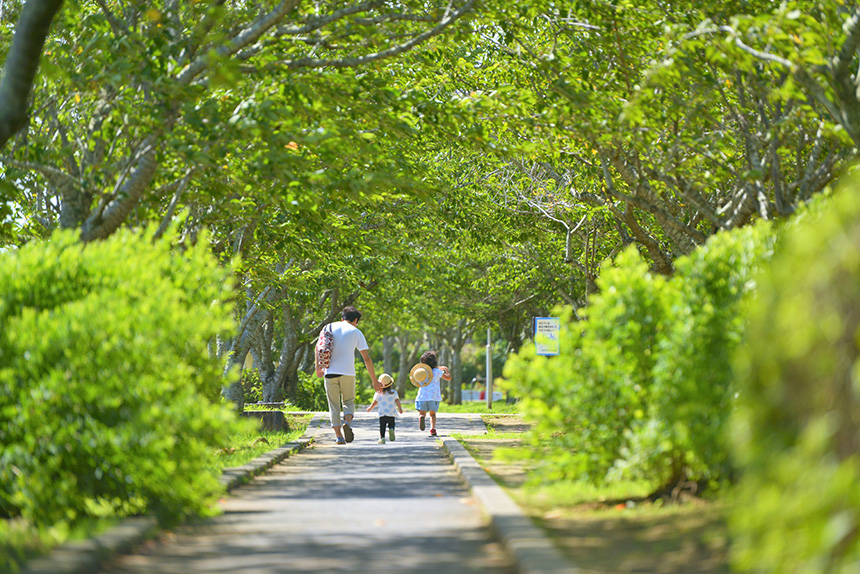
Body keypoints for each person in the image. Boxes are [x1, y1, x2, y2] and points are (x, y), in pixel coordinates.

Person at [315, 306, 381, 445]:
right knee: (348, 401)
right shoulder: (356, 332)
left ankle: (339, 436)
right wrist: (374, 381)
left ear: (342, 318)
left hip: (329, 372)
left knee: (333, 405)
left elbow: (318, 346)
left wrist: (318, 368)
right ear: (355, 320)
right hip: (348, 373)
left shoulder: (328, 327)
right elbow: (367, 359)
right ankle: (347, 422)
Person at [413, 350, 451, 437]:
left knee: (422, 412)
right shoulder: (437, 372)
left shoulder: (422, 372)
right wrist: (446, 370)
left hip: (423, 396)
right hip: (434, 397)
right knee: (432, 414)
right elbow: (448, 378)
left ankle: (421, 417)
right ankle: (432, 429)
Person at [366, 373, 403, 444]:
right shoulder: (393, 393)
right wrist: (400, 409)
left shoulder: (378, 393)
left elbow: (375, 402)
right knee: (392, 423)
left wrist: (370, 408)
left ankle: (382, 438)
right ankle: (391, 429)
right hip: (391, 413)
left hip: (382, 414)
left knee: (382, 426)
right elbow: (397, 400)